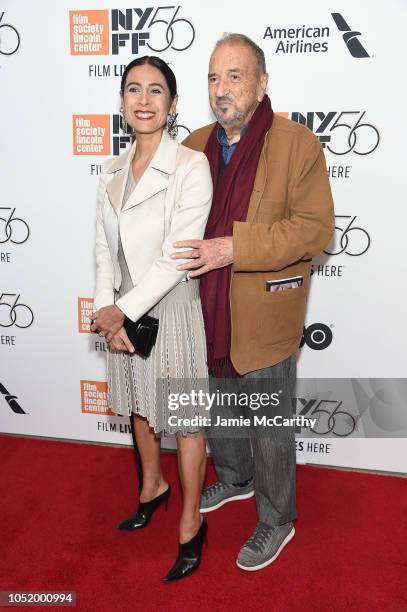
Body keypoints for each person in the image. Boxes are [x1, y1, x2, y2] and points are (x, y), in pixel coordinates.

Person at [172, 34, 335, 571]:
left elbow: (314, 231)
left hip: (265, 308)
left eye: (235, 76)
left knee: (266, 422)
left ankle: (277, 518)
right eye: (214, 78)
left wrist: (234, 248)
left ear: (262, 83)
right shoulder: (193, 144)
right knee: (220, 409)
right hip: (203, 309)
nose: (222, 89)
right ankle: (236, 480)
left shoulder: (296, 144)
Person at [91, 56, 212, 582]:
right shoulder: (112, 170)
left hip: (170, 309)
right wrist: (104, 309)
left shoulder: (190, 165)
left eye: (156, 90)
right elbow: (103, 249)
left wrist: (123, 309)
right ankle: (151, 488)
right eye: (134, 89)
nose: (144, 99)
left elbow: (178, 255)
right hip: (122, 311)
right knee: (140, 406)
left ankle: (190, 521)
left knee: (183, 421)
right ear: (121, 102)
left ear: (173, 103)